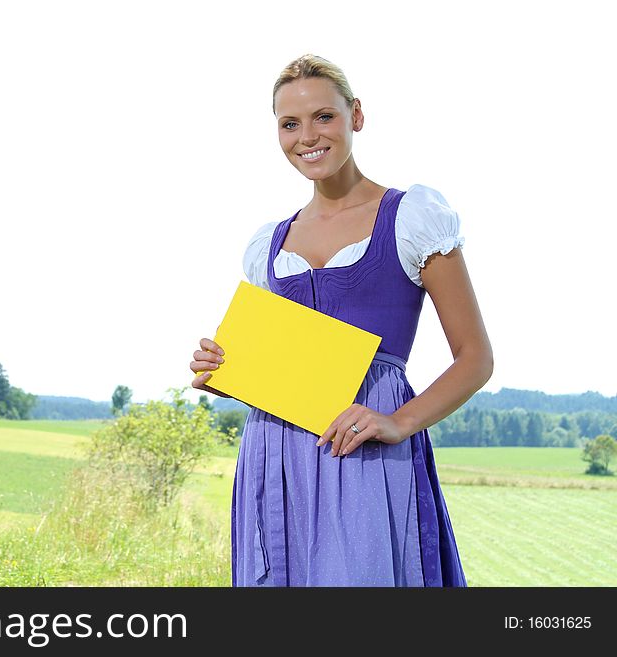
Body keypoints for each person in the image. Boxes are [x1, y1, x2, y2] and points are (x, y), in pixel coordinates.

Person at [189, 54, 493, 586]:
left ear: (355, 115)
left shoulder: (412, 218)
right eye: (290, 124)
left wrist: (400, 421)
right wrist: (226, 373)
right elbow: (284, 368)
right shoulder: (269, 243)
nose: (307, 136)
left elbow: (476, 359)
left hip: (364, 445)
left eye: (323, 117)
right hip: (275, 452)